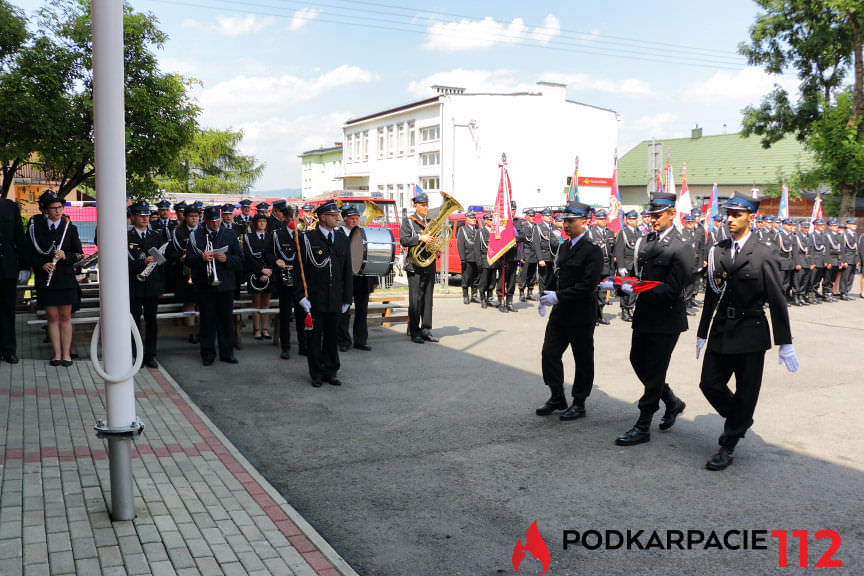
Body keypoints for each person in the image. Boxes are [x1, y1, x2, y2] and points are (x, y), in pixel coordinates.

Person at [697, 192, 796, 470]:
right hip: (721, 329)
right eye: (728, 214)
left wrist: (785, 342)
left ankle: (727, 445)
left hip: (751, 331)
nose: (729, 219)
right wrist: (702, 332)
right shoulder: (718, 250)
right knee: (709, 384)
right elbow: (711, 295)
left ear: (750, 217)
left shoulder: (764, 253)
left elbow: (777, 299)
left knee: (746, 390)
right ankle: (740, 419)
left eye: (736, 215)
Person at [613, 192, 693, 447]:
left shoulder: (682, 246)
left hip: (667, 317)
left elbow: (674, 287)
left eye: (658, 216)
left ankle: (643, 424)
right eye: (651, 215)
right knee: (638, 360)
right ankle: (672, 402)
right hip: (645, 313)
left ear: (672, 213)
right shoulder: (645, 241)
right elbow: (638, 274)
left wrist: (637, 288)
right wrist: (621, 284)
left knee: (656, 369)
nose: (653, 220)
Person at [535, 203, 603, 419]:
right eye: (564, 221)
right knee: (549, 353)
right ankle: (557, 396)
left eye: (571, 221)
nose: (566, 225)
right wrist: (546, 295)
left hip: (581, 313)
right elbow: (557, 274)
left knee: (582, 359)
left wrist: (559, 296)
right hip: (561, 311)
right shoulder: (564, 247)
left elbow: (587, 285)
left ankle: (579, 402)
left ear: (585, 222)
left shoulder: (593, 251)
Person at [296, 200, 353, 386]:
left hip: (335, 296)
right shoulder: (308, 239)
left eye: (337, 215)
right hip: (315, 297)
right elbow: (299, 270)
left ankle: (331, 370)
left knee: (331, 336)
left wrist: (347, 297)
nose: (337, 218)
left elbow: (347, 269)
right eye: (333, 215)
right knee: (314, 337)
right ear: (322, 217)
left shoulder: (342, 238)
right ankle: (317, 374)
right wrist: (301, 297)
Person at [29, 191, 84, 366]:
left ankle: (67, 354)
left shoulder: (70, 228)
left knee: (65, 316)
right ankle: (57, 354)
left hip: (65, 279)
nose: (58, 211)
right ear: (45, 210)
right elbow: (27, 253)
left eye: (60, 207)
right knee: (52, 317)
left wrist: (65, 256)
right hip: (47, 279)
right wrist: (41, 264)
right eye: (53, 208)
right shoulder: (35, 228)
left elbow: (79, 254)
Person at [185, 206, 242, 365]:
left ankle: (227, 353)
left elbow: (239, 258)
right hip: (205, 285)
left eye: (217, 220)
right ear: (205, 221)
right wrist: (201, 258)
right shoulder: (196, 235)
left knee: (226, 321)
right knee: (207, 321)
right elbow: (188, 260)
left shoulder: (229, 234)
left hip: (226, 284)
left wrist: (227, 259)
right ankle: (208, 354)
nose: (215, 224)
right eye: (212, 221)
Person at [128, 202, 167, 368]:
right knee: (134, 321)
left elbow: (162, 264)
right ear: (133, 217)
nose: (145, 218)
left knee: (152, 321)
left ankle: (151, 354)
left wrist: (161, 288)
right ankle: (136, 355)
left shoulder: (156, 236)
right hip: (134, 285)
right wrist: (141, 262)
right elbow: (123, 263)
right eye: (141, 215)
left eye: (147, 215)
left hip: (152, 285)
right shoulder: (127, 237)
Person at [337, 205, 377, 351]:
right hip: (346, 278)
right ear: (345, 220)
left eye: (357, 218)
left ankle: (361, 340)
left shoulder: (364, 233)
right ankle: (343, 341)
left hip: (362, 278)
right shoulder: (339, 234)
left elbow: (370, 256)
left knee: (362, 310)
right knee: (344, 310)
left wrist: (374, 280)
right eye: (352, 218)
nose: (355, 221)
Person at [400, 192, 439, 343]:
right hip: (414, 265)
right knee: (415, 300)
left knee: (428, 299)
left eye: (427, 205)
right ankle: (414, 330)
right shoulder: (408, 222)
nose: (425, 208)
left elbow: (433, 241)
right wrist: (419, 238)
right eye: (423, 205)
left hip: (429, 264)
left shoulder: (430, 222)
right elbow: (404, 240)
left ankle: (426, 329)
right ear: (415, 206)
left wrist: (436, 247)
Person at [272, 204, 306, 359]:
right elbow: (268, 252)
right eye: (290, 217)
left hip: (300, 279)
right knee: (285, 315)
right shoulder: (277, 235)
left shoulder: (302, 235)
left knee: (301, 314)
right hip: (285, 275)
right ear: (285, 218)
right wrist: (276, 260)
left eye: (296, 216)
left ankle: (303, 345)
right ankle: (285, 347)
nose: (293, 219)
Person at [1, 195, 29, 364]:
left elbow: (20, 237)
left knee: (8, 310)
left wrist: (25, 266)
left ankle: (9, 349)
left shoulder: (10, 207)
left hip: (7, 266)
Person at [167, 204, 201, 341]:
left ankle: (201, 330)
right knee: (189, 301)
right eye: (191, 216)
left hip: (201, 272)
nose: (194, 219)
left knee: (202, 302)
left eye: (197, 216)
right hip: (185, 273)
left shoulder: (204, 231)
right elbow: (170, 252)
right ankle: (191, 331)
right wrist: (179, 257)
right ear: (185, 217)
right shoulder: (178, 232)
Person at [244, 211, 276, 340]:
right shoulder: (248, 237)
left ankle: (265, 329)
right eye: (259, 221)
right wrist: (260, 271)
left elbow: (274, 255)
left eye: (264, 221)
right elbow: (248, 257)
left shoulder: (271, 237)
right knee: (256, 303)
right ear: (255, 223)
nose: (262, 223)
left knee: (266, 303)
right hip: (255, 274)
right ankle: (257, 329)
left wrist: (269, 271)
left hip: (269, 274)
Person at [587, 209, 615, 324]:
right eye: (601, 219)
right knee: (594, 291)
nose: (603, 221)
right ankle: (593, 316)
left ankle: (600, 315)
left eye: (604, 219)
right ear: (596, 220)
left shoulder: (610, 232)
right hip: (595, 266)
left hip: (607, 265)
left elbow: (612, 251)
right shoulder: (590, 232)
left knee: (603, 292)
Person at [613, 210, 641, 322]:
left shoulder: (639, 232)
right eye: (631, 219)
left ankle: (630, 308)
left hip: (636, 265)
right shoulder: (623, 232)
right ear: (627, 220)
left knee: (635, 288)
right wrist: (620, 266)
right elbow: (619, 250)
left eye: (635, 219)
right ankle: (625, 310)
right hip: (626, 264)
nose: (634, 221)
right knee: (625, 289)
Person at [457, 211, 480, 304]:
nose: (474, 220)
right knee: (466, 277)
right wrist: (462, 258)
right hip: (467, 257)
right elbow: (460, 244)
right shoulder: (462, 229)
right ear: (467, 219)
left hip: (477, 258)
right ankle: (465, 295)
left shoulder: (478, 229)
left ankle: (474, 295)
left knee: (476, 277)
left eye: (474, 218)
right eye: (471, 218)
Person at [475, 213, 496, 309]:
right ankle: (483, 298)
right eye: (490, 220)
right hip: (484, 260)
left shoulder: (495, 232)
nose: (492, 222)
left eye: (493, 220)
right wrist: (479, 262)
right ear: (486, 221)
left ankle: (489, 298)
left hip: (494, 260)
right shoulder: (480, 232)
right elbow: (477, 248)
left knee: (492, 281)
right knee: (484, 281)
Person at [533, 208, 556, 294]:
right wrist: (540, 259)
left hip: (553, 255)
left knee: (552, 276)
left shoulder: (554, 227)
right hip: (544, 255)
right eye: (547, 215)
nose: (549, 217)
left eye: (550, 215)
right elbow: (537, 244)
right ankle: (542, 294)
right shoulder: (538, 227)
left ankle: (549, 293)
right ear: (542, 217)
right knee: (543, 277)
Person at [517, 209, 538, 302]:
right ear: (527, 217)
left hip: (534, 254)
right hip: (526, 253)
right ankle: (521, 293)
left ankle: (530, 292)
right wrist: (521, 256)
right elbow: (520, 243)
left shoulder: (536, 227)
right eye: (531, 216)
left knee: (532, 274)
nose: (533, 218)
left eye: (534, 216)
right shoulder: (523, 227)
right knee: (524, 274)